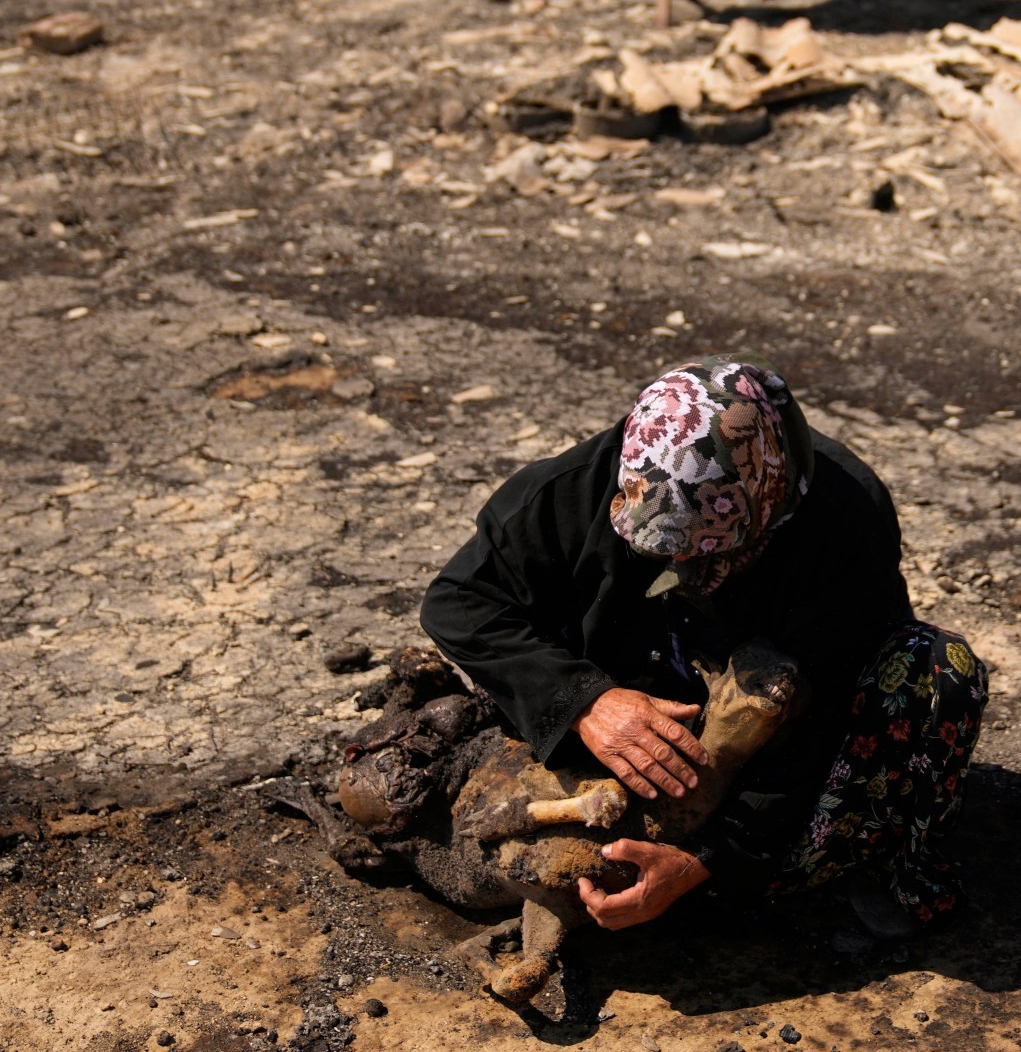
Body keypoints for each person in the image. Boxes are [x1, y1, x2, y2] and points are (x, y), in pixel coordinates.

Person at [420, 356, 987, 938]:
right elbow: (460, 602)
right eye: (660, 551)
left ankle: (813, 874)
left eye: (709, 550)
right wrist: (584, 702)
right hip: (626, 746)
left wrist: (711, 861)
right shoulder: (575, 487)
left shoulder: (843, 518)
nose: (679, 569)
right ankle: (639, 863)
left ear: (762, 504)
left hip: (776, 760)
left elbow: (832, 698)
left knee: (937, 671)